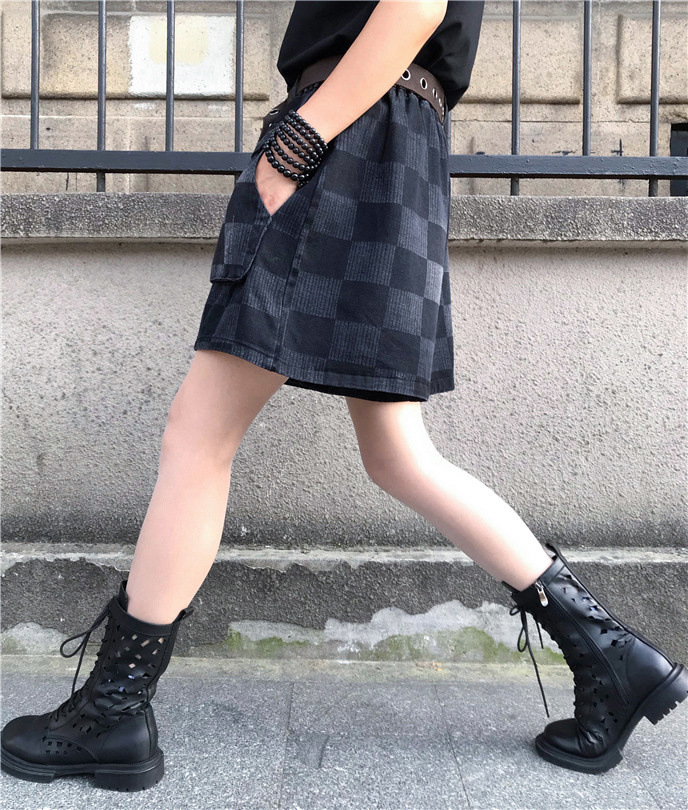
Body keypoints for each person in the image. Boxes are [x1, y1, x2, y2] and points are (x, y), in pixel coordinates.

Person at [2, 0, 686, 792]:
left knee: (199, 434)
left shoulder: (326, 127)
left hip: (348, 131)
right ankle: (612, 656)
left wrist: (300, 137)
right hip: (390, 138)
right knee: (396, 454)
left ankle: (113, 711)